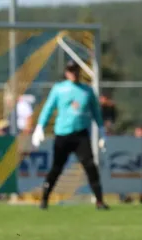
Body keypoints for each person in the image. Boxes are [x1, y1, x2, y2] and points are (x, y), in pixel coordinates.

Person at [31, 60, 109, 210]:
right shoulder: (59, 89)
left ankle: (99, 201)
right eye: (70, 71)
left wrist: (102, 131)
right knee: (57, 168)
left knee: (90, 166)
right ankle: (44, 199)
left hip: (81, 135)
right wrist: (40, 127)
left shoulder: (87, 90)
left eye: (75, 70)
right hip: (62, 134)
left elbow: (96, 112)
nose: (73, 73)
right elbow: (48, 108)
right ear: (66, 73)